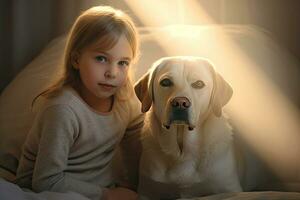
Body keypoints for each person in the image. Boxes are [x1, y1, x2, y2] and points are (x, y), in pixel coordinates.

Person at [16, 6, 143, 200]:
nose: (112, 73)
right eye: (101, 58)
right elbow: (45, 181)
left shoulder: (127, 102)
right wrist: (107, 194)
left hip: (97, 190)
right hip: (46, 190)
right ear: (76, 59)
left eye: (123, 63)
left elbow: (137, 154)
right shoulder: (63, 109)